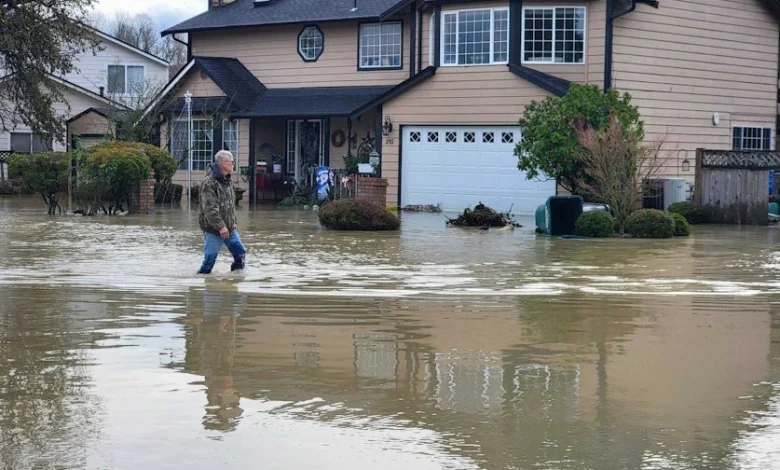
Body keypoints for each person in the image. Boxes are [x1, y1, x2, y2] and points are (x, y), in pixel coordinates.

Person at [197, 150, 246, 274]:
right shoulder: (209, 183)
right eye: (232, 162)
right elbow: (210, 208)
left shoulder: (227, 180)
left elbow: (230, 206)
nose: (234, 165)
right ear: (224, 163)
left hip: (230, 228)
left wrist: (232, 224)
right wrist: (221, 226)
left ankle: (235, 281)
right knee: (209, 262)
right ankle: (200, 286)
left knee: (240, 253)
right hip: (214, 229)